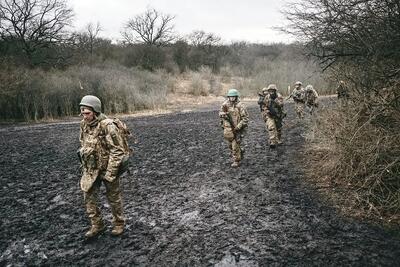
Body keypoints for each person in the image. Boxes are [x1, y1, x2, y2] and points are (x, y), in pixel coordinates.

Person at [78, 95, 129, 238]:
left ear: (95, 111)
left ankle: (119, 223)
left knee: (113, 198)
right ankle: (97, 225)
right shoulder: (83, 124)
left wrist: (111, 173)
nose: (84, 116)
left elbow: (117, 150)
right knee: (88, 197)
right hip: (91, 168)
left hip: (108, 168)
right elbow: (83, 143)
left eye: (87, 112)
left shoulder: (107, 125)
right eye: (82, 112)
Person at [219, 89, 249, 167]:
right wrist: (223, 114)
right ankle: (241, 151)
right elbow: (220, 113)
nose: (232, 98)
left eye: (233, 97)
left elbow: (245, 118)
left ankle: (236, 161)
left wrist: (239, 126)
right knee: (230, 145)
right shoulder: (225, 104)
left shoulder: (240, 105)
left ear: (236, 97)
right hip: (228, 129)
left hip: (239, 128)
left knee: (235, 145)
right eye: (230, 97)